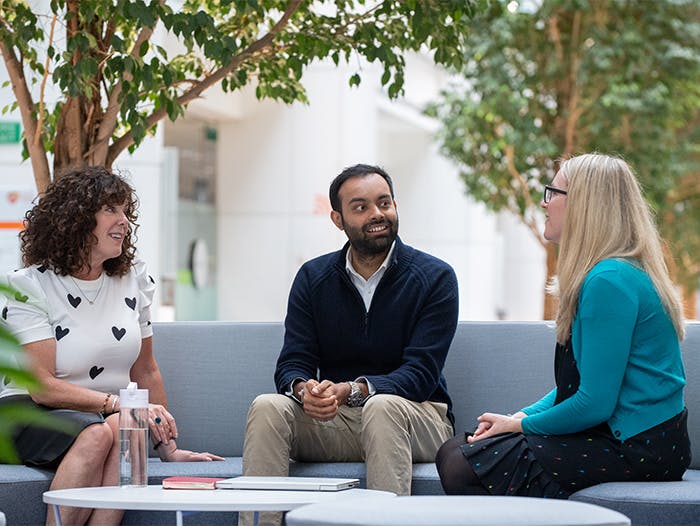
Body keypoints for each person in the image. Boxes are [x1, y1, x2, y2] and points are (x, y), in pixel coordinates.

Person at [436, 153, 691, 498]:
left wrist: (520, 426)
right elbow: (580, 387)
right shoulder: (607, 274)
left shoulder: (610, 280)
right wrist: (519, 416)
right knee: (453, 450)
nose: (544, 203)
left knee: (460, 465)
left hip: (640, 447)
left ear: (585, 205)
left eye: (553, 193)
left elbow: (595, 402)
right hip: (619, 433)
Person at [0, 167, 223, 526]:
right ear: (75, 219)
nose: (124, 222)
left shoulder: (133, 278)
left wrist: (169, 449)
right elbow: (41, 387)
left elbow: (145, 369)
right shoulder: (30, 285)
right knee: (100, 432)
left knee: (119, 426)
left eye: (125, 212)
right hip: (29, 412)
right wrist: (116, 404)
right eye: (111, 210)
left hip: (105, 417)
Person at [240, 163, 458, 525]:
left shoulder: (435, 278)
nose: (377, 214)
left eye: (384, 203)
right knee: (267, 406)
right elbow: (293, 360)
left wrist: (354, 390)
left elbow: (420, 375)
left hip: (418, 419)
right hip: (340, 421)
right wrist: (304, 389)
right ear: (338, 220)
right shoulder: (314, 278)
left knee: (383, 407)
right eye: (361, 207)